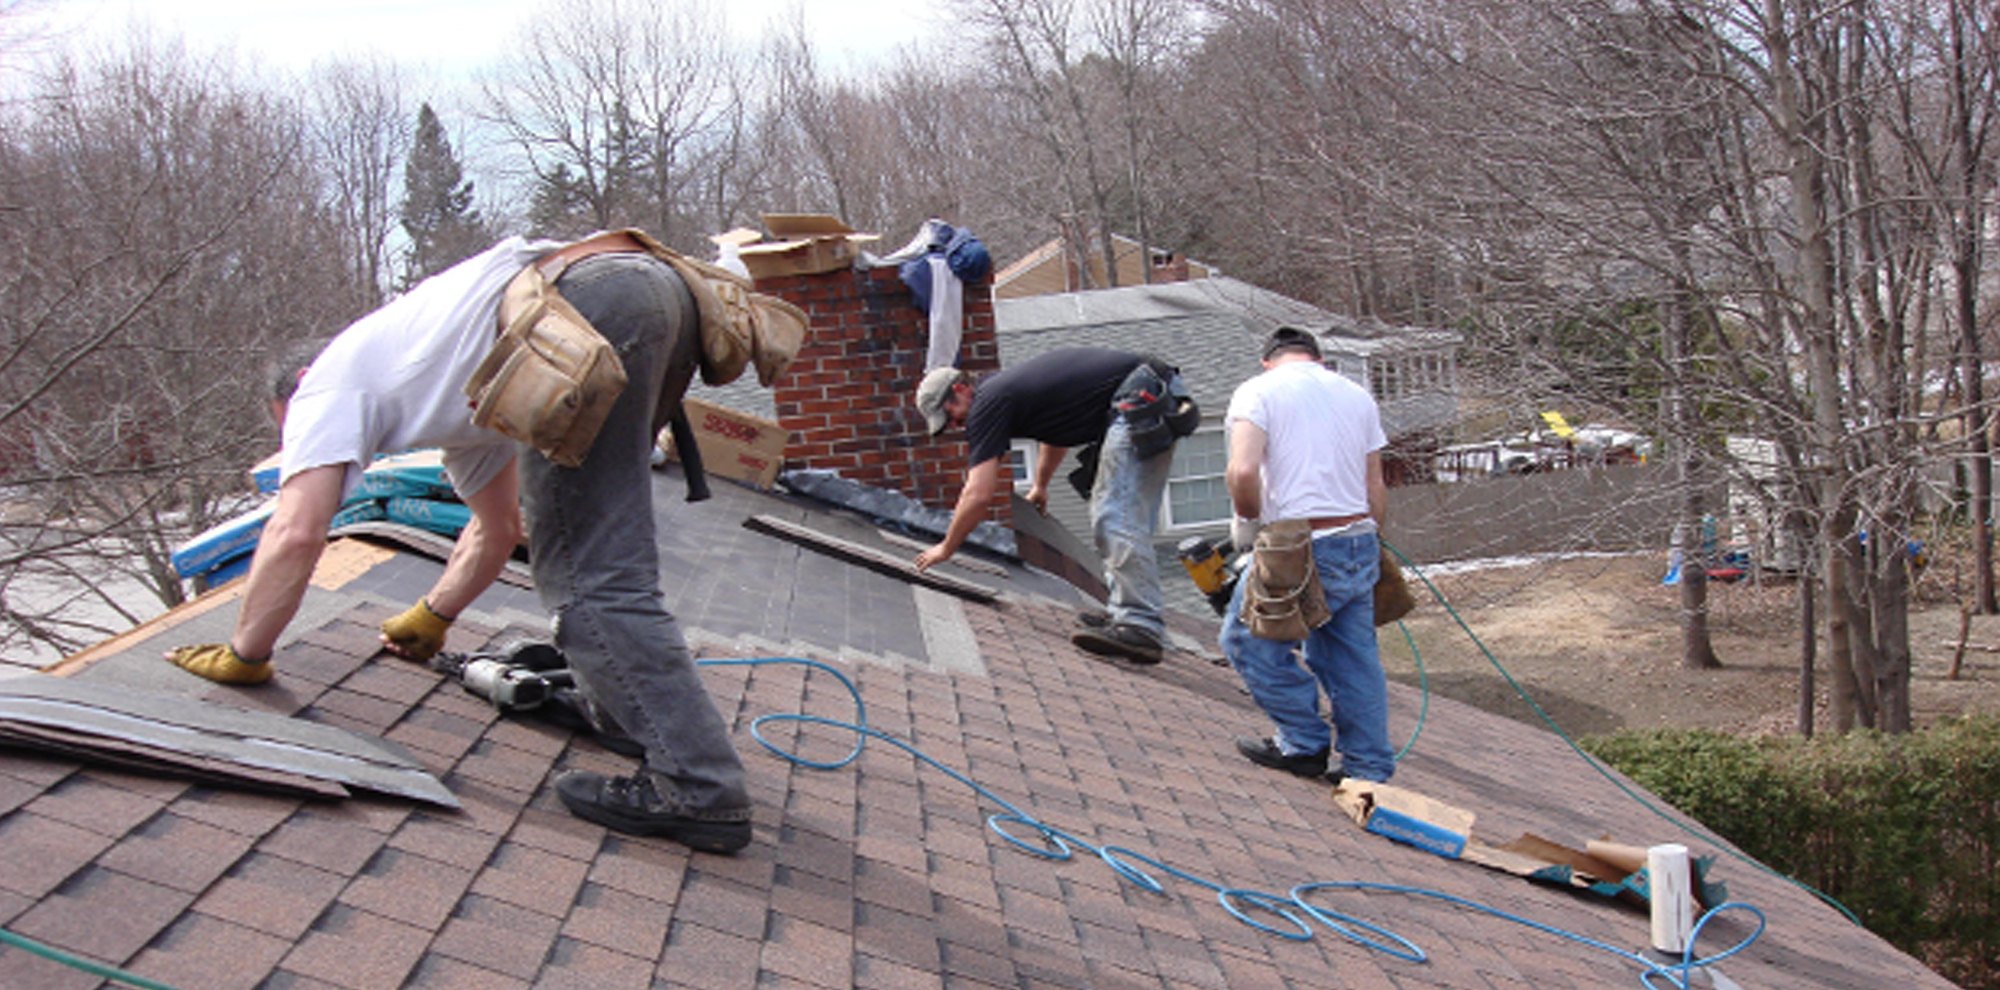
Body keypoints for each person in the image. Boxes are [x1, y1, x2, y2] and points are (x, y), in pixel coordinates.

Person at [163, 232, 753, 853]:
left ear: (300, 387)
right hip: (647, 290)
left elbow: (297, 531)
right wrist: (433, 614)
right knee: (591, 555)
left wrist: (246, 653)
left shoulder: (325, 383)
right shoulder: (458, 392)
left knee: (588, 575)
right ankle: (626, 717)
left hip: (586, 307)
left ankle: (700, 791)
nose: (310, 450)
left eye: (298, 435)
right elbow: (498, 530)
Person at [912, 347, 1188, 664]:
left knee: (1116, 515)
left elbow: (978, 493)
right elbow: (1056, 433)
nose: (954, 424)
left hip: (1139, 398)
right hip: (1146, 392)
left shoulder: (988, 402)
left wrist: (947, 547)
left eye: (950, 414)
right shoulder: (1004, 393)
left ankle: (1140, 626)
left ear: (960, 389)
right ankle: (1125, 613)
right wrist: (1041, 485)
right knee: (1112, 509)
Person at [1220, 327, 1395, 785]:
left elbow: (1242, 470)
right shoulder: (1356, 395)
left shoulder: (1258, 391)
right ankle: (1368, 767)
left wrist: (1247, 519)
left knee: (1245, 640)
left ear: (1268, 361)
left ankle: (1302, 742)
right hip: (1358, 536)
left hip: (1300, 544)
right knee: (1352, 659)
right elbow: (1375, 484)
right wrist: (1369, 538)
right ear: (1318, 358)